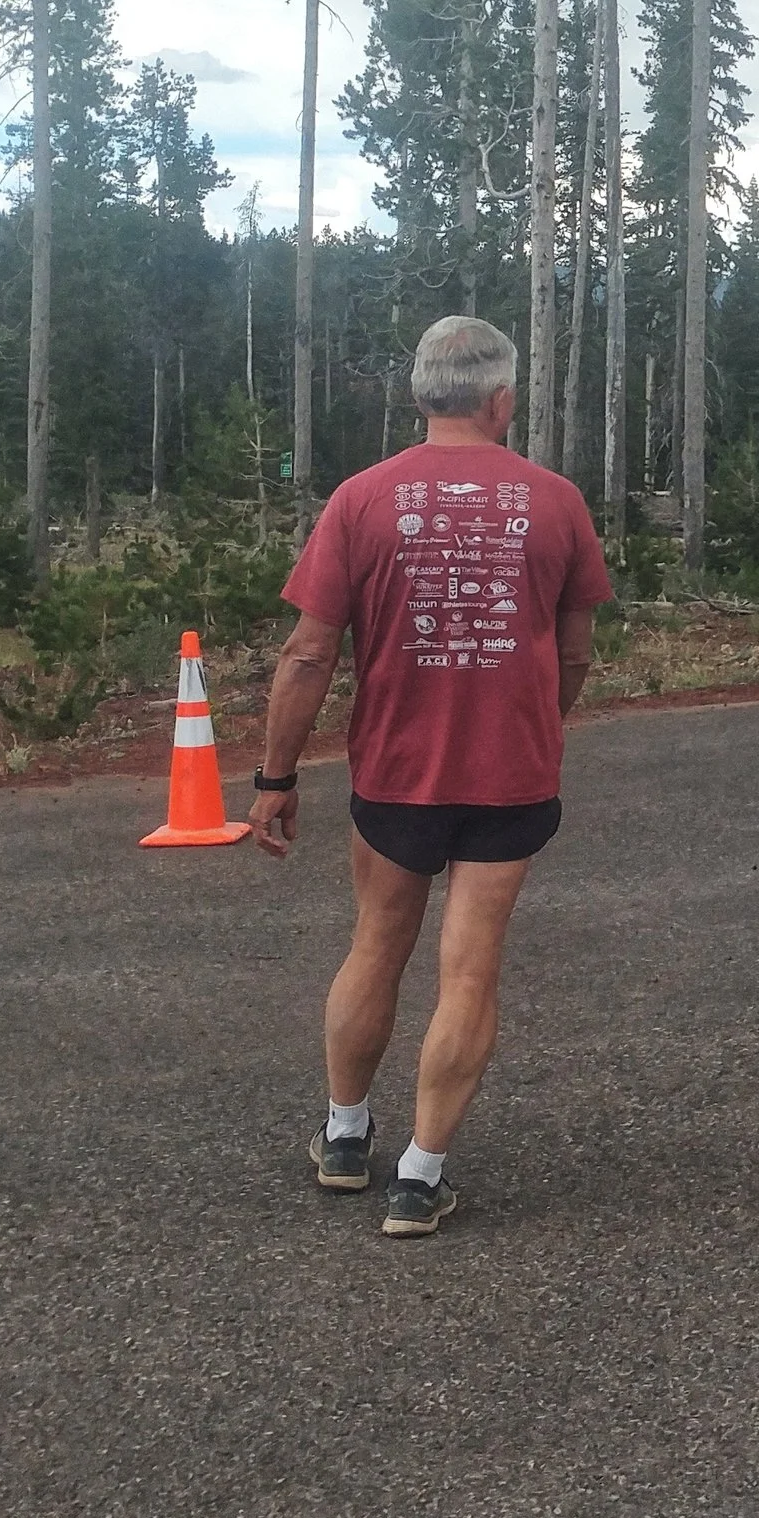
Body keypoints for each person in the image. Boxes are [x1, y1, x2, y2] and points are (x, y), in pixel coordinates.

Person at [247, 316, 613, 1237]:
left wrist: (274, 776)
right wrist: (539, 724)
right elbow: (575, 654)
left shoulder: (363, 499)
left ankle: (343, 1135)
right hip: (510, 777)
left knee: (377, 943)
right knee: (470, 966)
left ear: (420, 397)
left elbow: (305, 654)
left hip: (395, 774)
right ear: (503, 402)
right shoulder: (557, 500)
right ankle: (419, 1176)